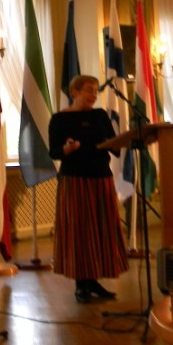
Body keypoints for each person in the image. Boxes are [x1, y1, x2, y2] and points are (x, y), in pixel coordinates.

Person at [48, 74, 129, 303]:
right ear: (74, 92)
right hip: (75, 179)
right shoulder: (59, 119)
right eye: (89, 90)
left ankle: (92, 280)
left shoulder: (100, 115)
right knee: (79, 231)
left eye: (95, 90)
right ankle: (81, 285)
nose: (94, 95)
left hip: (101, 177)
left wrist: (125, 141)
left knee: (100, 229)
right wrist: (67, 149)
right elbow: (54, 152)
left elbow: (113, 146)